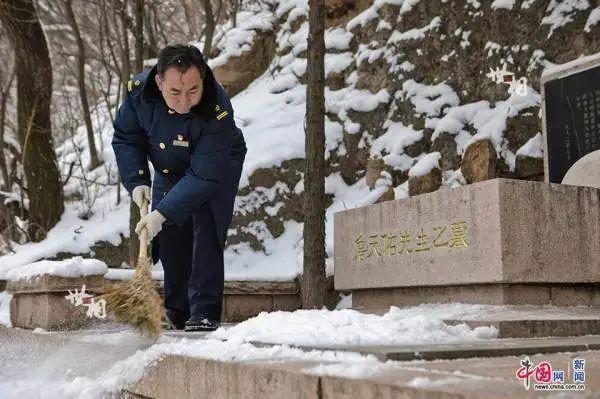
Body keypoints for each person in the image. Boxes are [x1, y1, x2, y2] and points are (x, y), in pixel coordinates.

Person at [111, 44, 247, 331]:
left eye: (192, 91)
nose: (185, 101)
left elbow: (204, 176)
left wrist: (163, 212)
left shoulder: (217, 107)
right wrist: (137, 181)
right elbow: (126, 137)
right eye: (175, 92)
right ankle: (177, 310)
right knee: (171, 235)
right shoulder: (140, 92)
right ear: (159, 83)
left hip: (216, 164)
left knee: (206, 229)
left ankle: (204, 311)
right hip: (170, 163)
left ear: (203, 80)